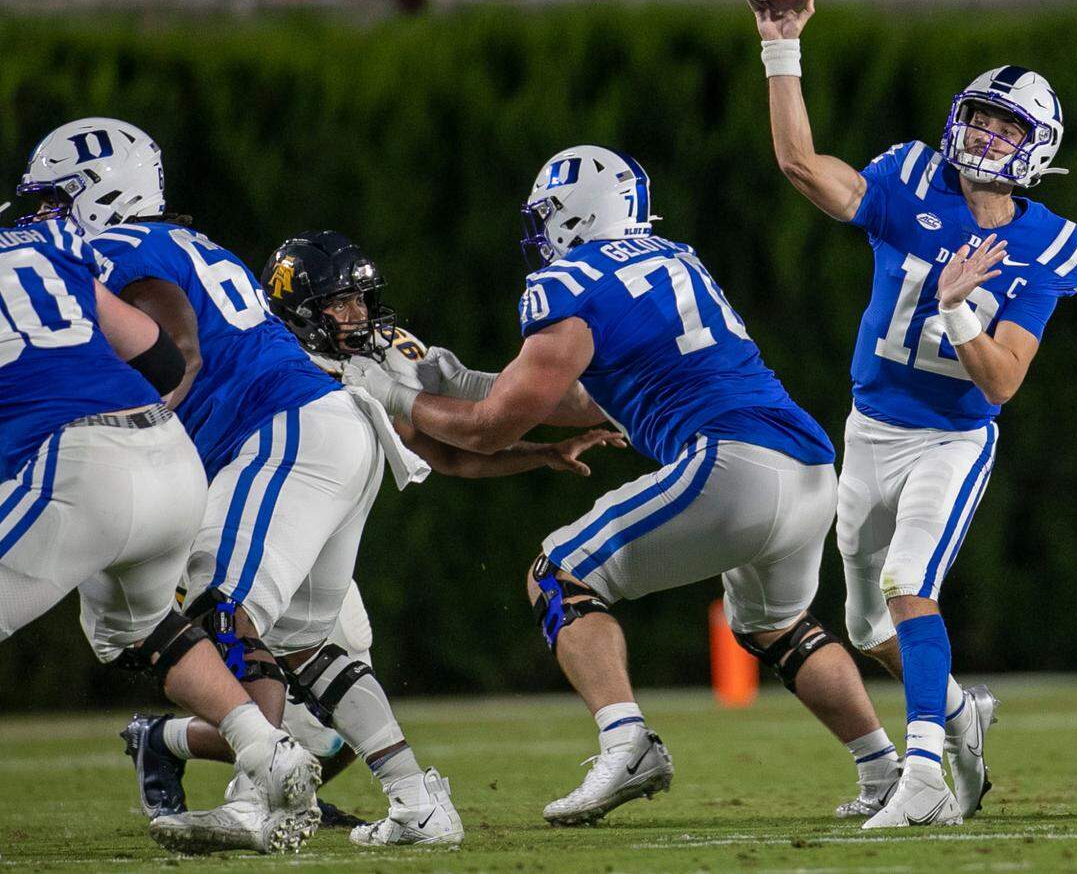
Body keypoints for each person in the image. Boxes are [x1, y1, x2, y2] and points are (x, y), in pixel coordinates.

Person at [347, 145, 902, 826]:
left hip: (734, 464)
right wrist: (458, 382)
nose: (539, 230)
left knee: (560, 573)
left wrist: (394, 397)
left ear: (577, 213)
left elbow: (491, 429)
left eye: (547, 214)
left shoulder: (568, 280)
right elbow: (585, 395)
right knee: (773, 624)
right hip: (811, 467)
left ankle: (626, 741)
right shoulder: (675, 257)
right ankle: (884, 769)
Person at [120, 229, 621, 848]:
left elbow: (465, 411)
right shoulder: (259, 344)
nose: (357, 314)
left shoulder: (354, 353)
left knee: (250, 628)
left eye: (361, 299)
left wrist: (549, 440)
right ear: (297, 303)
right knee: (306, 654)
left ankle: (249, 793)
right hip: (272, 483)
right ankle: (409, 799)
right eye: (340, 301)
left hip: (297, 477)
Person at [752, 0, 1077, 826]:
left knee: (909, 581)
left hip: (951, 438)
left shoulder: (1048, 244)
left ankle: (924, 777)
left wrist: (958, 311)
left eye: (1006, 127)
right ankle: (961, 712)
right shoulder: (907, 177)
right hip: (869, 428)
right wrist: (782, 52)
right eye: (978, 116)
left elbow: (1003, 379)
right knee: (870, 623)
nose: (984, 136)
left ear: (1036, 149)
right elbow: (802, 165)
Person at [17, 117, 376, 853]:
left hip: (233, 445)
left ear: (98, 190)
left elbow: (171, 343)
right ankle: (279, 762)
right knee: (152, 625)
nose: (46, 216)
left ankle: (263, 787)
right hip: (234, 456)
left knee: (229, 613)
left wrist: (146, 409)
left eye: (57, 199)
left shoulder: (109, 248)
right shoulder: (197, 244)